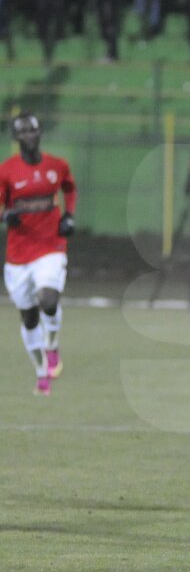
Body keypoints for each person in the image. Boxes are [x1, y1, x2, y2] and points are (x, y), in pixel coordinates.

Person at [1, 114, 77, 396]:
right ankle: (41, 370)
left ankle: (53, 344)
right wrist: (5, 214)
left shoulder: (57, 166)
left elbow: (69, 188)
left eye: (33, 130)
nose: (29, 135)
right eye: (23, 131)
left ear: (40, 132)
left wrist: (69, 215)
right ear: (16, 137)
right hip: (18, 256)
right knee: (29, 319)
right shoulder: (7, 171)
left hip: (50, 246)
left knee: (48, 300)